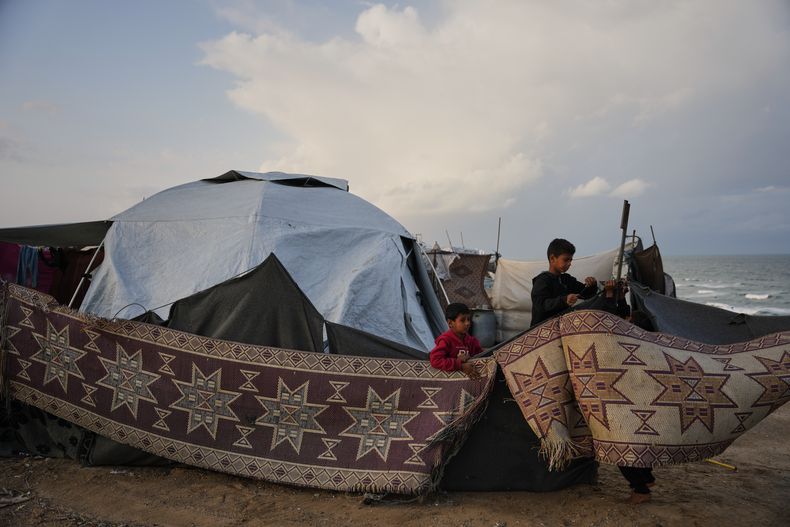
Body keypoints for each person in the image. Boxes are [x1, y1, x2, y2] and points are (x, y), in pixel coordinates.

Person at [530, 238, 598, 326]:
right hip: (542, 331)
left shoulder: (567, 279)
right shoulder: (542, 280)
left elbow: (585, 294)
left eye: (571, 260)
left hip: (562, 328)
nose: (569, 263)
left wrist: (591, 285)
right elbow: (541, 305)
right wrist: (564, 300)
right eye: (566, 260)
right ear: (552, 258)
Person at [429, 303, 483, 378]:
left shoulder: (472, 341)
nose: (467, 323)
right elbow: (435, 360)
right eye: (462, 320)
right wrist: (460, 365)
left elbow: (482, 356)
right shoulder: (445, 340)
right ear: (450, 323)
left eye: (468, 319)